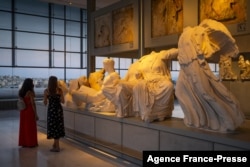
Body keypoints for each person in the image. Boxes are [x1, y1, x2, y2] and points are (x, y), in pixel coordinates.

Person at [175, 19, 245, 132]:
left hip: (195, 63)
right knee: (179, 91)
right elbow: (208, 52)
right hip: (184, 67)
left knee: (206, 93)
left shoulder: (198, 31)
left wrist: (211, 50)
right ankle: (196, 119)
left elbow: (207, 51)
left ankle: (227, 120)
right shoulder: (186, 34)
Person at [43, 76, 65, 152]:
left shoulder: (46, 91)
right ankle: (55, 144)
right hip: (58, 110)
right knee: (58, 126)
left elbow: (45, 103)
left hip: (51, 110)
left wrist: (47, 99)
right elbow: (63, 101)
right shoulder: (59, 90)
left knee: (53, 126)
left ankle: (57, 146)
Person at [18, 78, 39, 147]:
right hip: (29, 111)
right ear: (30, 84)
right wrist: (36, 114)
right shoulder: (30, 92)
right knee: (30, 127)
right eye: (32, 83)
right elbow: (33, 104)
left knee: (24, 127)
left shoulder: (21, 91)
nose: (33, 84)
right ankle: (31, 143)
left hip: (23, 111)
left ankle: (24, 142)